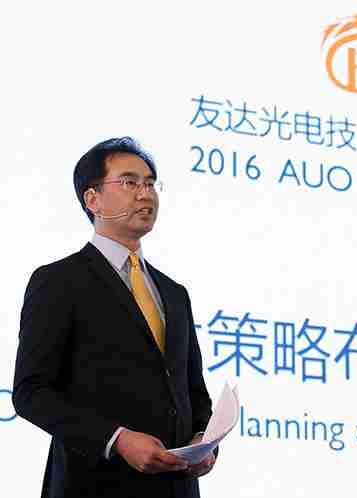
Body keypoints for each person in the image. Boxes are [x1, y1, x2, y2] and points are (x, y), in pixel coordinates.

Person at [13, 137, 216, 498]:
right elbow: (32, 392)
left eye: (150, 184)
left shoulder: (174, 293)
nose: (145, 194)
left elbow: (193, 394)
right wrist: (116, 439)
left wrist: (203, 439)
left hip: (176, 487)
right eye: (129, 182)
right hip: (93, 485)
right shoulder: (59, 280)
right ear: (92, 199)